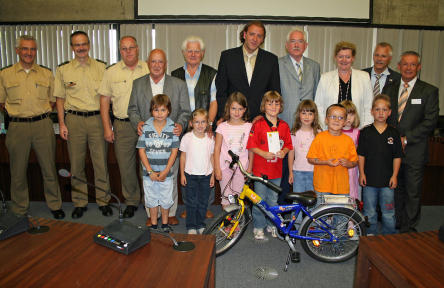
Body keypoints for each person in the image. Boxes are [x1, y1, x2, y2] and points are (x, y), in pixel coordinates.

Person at [0, 35, 64, 219]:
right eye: (25, 49)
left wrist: (38, 112)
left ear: (36, 51)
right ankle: (20, 208)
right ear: (17, 50)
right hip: (17, 127)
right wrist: (18, 112)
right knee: (17, 170)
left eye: (32, 49)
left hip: (42, 125)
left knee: (49, 167)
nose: (29, 53)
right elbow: (2, 102)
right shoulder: (5, 74)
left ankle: (54, 204)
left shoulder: (46, 74)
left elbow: (53, 100)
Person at [127, 49, 190, 226]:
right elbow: (131, 109)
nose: (156, 65)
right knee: (149, 175)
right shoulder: (138, 84)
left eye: (160, 62)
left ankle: (169, 213)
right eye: (153, 61)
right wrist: (137, 122)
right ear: (148, 63)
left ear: (165, 63)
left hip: (170, 139)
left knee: (170, 175)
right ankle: (151, 213)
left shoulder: (178, 84)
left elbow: (186, 111)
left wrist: (180, 124)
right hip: (148, 141)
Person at [54, 31, 111, 219]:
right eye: (77, 45)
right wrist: (62, 123)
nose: (81, 48)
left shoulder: (102, 68)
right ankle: (80, 202)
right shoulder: (63, 70)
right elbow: (60, 99)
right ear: (72, 47)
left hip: (97, 119)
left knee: (100, 163)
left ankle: (104, 201)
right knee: (76, 164)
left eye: (84, 44)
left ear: (89, 45)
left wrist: (107, 124)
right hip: (75, 120)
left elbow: (106, 97)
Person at [382, 51, 439, 233]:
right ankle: (397, 224)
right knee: (395, 189)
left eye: (412, 64)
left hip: (414, 150)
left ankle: (410, 229)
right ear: (399, 66)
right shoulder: (389, 88)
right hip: (391, 150)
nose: (408, 68)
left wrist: (406, 139)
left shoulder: (429, 91)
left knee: (412, 191)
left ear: (419, 67)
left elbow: (430, 121)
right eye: (405, 64)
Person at [99, 36, 149, 218]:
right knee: (126, 167)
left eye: (131, 48)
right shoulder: (111, 72)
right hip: (122, 125)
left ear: (137, 48)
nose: (128, 51)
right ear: (120, 51)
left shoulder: (148, 68)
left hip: (147, 125)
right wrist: (107, 127)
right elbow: (104, 101)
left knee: (148, 165)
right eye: (124, 48)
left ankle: (149, 201)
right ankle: (131, 201)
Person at [171, 36, 217, 219]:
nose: (193, 54)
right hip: (181, 127)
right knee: (185, 166)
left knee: (206, 164)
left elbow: (214, 101)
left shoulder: (211, 73)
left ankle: (205, 206)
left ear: (203, 53)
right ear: (183, 53)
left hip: (203, 127)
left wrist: (209, 124)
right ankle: (188, 206)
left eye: (196, 51)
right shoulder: (174, 74)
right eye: (189, 51)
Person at [278, 28, 320, 205]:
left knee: (307, 169)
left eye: (300, 41)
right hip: (285, 124)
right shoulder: (277, 64)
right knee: (284, 171)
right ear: (287, 45)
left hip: (308, 128)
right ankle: (285, 208)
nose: (296, 44)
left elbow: (316, 94)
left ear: (306, 45)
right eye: (293, 41)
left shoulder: (314, 66)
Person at [247, 91, 292, 240]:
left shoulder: (284, 126)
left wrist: (284, 152)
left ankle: (271, 224)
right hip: (260, 171)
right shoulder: (258, 124)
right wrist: (263, 153)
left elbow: (288, 145)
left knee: (273, 200)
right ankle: (258, 226)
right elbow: (251, 146)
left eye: (276, 103)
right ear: (264, 105)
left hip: (276, 171)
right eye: (269, 103)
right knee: (259, 200)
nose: (273, 106)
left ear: (281, 106)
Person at [216, 21, 280, 121]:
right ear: (245, 35)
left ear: (263, 39)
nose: (255, 39)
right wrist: (225, 116)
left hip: (260, 120)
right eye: (252, 34)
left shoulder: (271, 60)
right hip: (233, 119)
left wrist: (263, 116)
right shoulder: (227, 57)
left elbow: (274, 93)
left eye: (259, 36)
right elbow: (221, 91)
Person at [358, 94, 402, 235]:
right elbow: (361, 155)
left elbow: (397, 156)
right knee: (369, 212)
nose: (381, 113)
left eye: (384, 110)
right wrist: (362, 173)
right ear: (372, 111)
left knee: (388, 212)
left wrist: (394, 176)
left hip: (387, 182)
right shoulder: (365, 132)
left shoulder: (394, 133)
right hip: (369, 181)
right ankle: (370, 236)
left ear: (389, 112)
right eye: (377, 109)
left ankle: (389, 237)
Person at [137, 94, 179, 233]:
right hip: (149, 174)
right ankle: (154, 224)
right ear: (151, 111)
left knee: (166, 200)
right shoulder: (146, 127)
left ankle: (165, 224)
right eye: (156, 110)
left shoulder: (173, 128)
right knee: (152, 199)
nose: (159, 114)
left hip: (166, 173)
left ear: (169, 111)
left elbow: (174, 151)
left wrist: (166, 170)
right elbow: (142, 151)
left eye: (163, 110)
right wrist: (149, 171)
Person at [315, 41, 373, 130]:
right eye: (340, 57)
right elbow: (319, 106)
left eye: (348, 57)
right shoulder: (325, 78)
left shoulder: (364, 77)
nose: (344, 60)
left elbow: (369, 106)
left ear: (353, 58)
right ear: (335, 58)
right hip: (331, 131)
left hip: (356, 131)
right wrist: (324, 127)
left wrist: (365, 129)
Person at [307, 104, 358, 198]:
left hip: (342, 187)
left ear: (345, 122)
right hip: (322, 187)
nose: (336, 120)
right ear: (326, 120)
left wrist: (348, 163)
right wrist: (326, 162)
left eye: (340, 117)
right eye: (333, 116)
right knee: (322, 212)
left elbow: (354, 162)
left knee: (341, 212)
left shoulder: (348, 140)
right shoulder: (320, 137)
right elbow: (310, 159)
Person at [214, 92, 253, 210]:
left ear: (245, 110)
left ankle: (235, 224)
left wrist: (250, 168)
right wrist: (217, 168)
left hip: (242, 168)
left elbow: (251, 149)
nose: (236, 112)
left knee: (237, 196)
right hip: (225, 166)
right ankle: (227, 222)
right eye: (233, 108)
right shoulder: (222, 127)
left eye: (240, 109)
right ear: (228, 108)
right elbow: (217, 148)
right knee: (226, 196)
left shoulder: (249, 126)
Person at [179, 109, 215, 234]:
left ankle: (200, 224)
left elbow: (212, 157)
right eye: (197, 122)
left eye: (203, 122)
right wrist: (182, 174)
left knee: (203, 202)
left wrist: (212, 175)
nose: (200, 125)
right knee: (191, 202)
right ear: (191, 123)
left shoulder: (210, 139)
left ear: (207, 124)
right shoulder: (187, 138)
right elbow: (182, 156)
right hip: (190, 175)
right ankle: (191, 226)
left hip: (206, 176)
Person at [288, 100, 321, 198]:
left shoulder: (319, 133)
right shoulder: (294, 133)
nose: (307, 117)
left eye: (310, 114)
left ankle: (310, 214)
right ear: (299, 114)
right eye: (304, 113)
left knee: (312, 200)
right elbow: (291, 153)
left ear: (315, 116)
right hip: (298, 172)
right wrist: (291, 172)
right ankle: (296, 214)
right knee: (298, 199)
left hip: (314, 172)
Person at [340, 100, 361, 200]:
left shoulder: (357, 133)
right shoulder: (335, 131)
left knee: (352, 192)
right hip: (338, 168)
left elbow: (359, 153)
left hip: (352, 168)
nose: (348, 118)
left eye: (351, 114)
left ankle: (351, 213)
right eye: (346, 114)